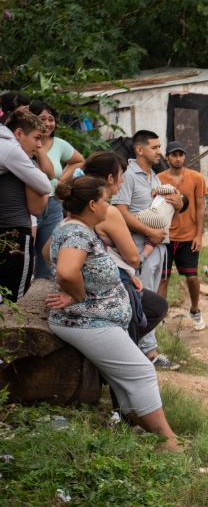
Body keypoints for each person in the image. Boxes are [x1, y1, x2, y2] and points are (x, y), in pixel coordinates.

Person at [45, 176, 179, 451]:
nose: (109, 204)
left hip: (96, 318)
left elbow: (50, 253)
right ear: (93, 204)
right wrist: (77, 295)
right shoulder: (77, 232)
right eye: (105, 199)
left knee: (128, 375)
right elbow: (66, 271)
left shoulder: (76, 227)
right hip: (86, 321)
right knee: (142, 371)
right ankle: (169, 443)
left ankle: (143, 427)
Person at [80, 151, 170, 349]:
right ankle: (129, 351)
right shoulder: (107, 210)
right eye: (121, 175)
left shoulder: (76, 202)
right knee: (156, 307)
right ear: (110, 178)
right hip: (107, 286)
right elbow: (132, 258)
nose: (122, 181)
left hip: (87, 280)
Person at [111, 130, 182, 369]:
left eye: (159, 146)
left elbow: (163, 205)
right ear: (139, 149)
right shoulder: (128, 175)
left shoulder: (155, 177)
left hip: (157, 245)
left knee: (151, 296)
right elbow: (120, 211)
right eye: (154, 147)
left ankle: (145, 350)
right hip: (138, 246)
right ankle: (147, 353)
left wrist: (177, 204)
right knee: (143, 298)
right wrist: (150, 232)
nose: (159, 152)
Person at [29, 102, 84, 279]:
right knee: (27, 255)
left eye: (51, 119)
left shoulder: (59, 144)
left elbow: (78, 160)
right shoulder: (24, 143)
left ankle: (42, 300)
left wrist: (61, 180)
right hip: (28, 205)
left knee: (50, 255)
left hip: (53, 205)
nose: (48, 123)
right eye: (42, 118)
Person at [0, 110, 50, 302]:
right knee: (15, 302)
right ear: (19, 133)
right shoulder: (11, 150)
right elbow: (44, 186)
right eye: (37, 138)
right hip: (14, 236)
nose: (39, 145)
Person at [158, 141, 208, 330]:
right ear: (167, 157)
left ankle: (195, 310)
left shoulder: (196, 178)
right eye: (174, 155)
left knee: (192, 278)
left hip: (188, 237)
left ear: (184, 157)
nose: (178, 158)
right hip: (165, 237)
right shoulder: (159, 178)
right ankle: (160, 316)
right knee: (163, 278)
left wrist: (199, 235)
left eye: (181, 155)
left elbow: (201, 208)